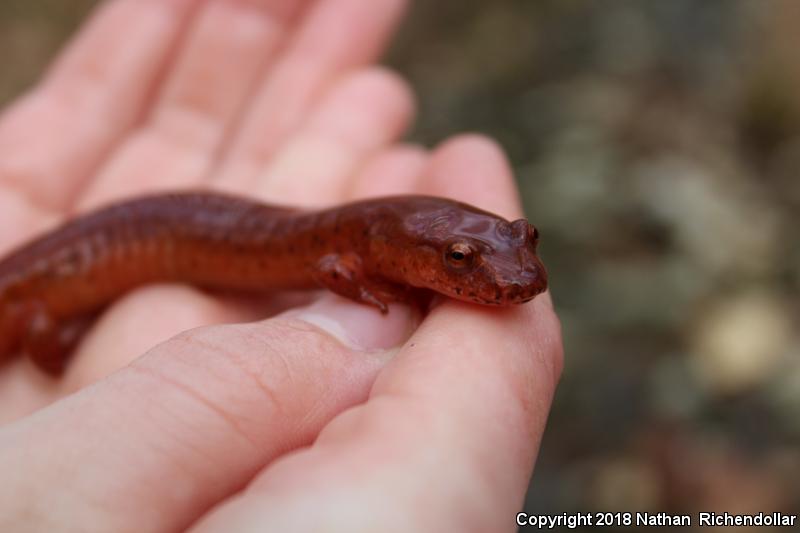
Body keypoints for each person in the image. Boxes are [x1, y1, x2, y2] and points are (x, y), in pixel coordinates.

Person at [0, 0, 563, 530]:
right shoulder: (345, 252)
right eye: (461, 260)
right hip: (29, 298)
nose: (515, 276)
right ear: (388, 245)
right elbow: (331, 269)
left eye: (523, 238)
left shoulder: (370, 237)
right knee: (46, 327)